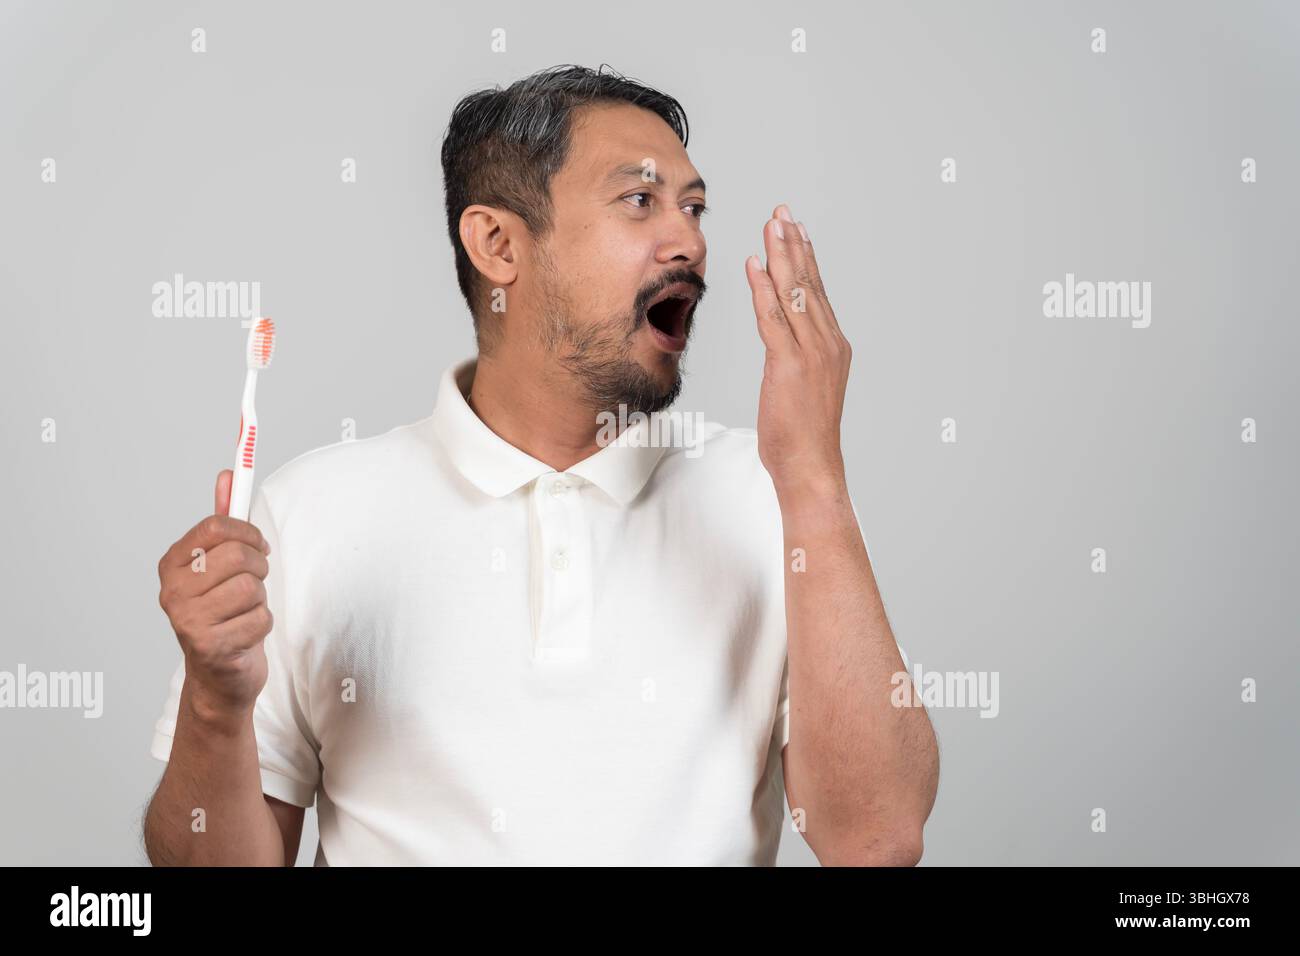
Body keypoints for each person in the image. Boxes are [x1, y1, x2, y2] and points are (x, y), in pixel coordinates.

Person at [142, 64, 939, 866]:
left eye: (694, 208)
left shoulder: (771, 498)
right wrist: (214, 705)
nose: (690, 241)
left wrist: (814, 481)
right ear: (498, 244)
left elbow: (876, 839)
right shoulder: (312, 512)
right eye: (641, 201)